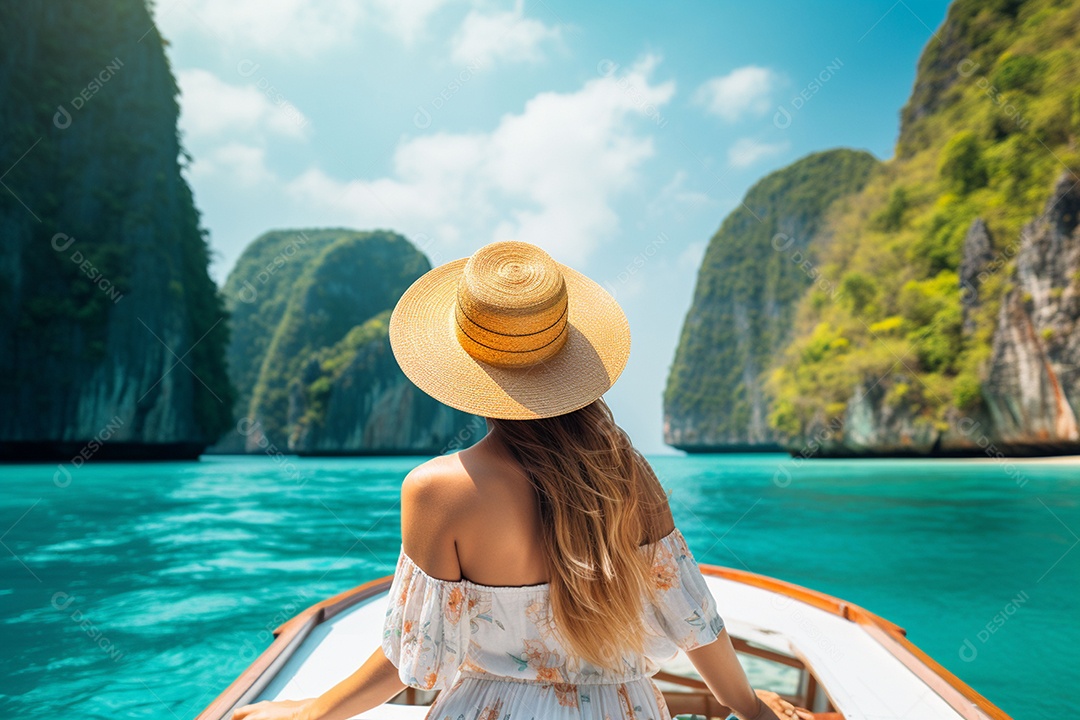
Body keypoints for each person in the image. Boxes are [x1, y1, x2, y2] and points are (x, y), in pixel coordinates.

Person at [234, 241, 812, 720]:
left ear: (466, 369)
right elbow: (694, 619)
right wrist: (751, 708)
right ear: (570, 361)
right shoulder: (629, 475)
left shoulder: (438, 491)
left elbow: (417, 659)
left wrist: (307, 713)